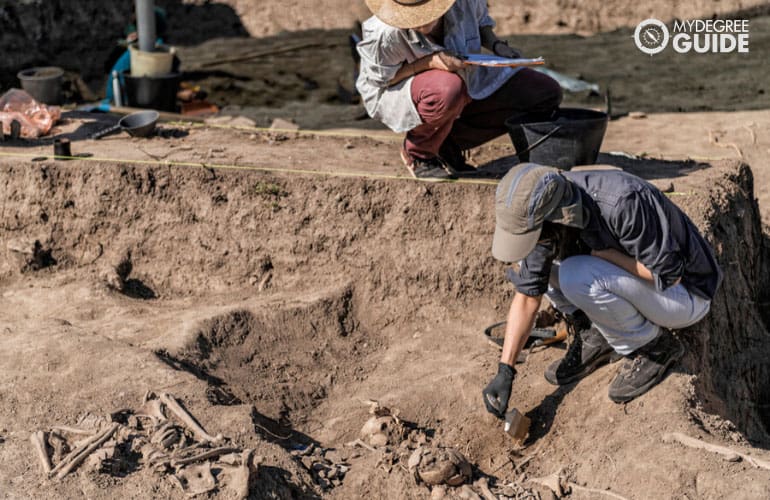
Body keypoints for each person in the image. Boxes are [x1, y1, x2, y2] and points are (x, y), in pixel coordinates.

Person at [482, 163, 723, 417]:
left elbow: (670, 275)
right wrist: (505, 370)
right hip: (639, 285)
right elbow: (528, 295)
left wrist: (604, 255)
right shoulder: (547, 215)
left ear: (554, 216)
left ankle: (653, 348)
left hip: (686, 295)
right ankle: (595, 334)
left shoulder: (622, 203)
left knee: (575, 274)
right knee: (536, 265)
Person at [357, 0, 562, 180]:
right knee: (448, 90)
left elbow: (481, 22)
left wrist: (497, 46)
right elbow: (383, 80)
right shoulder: (385, 34)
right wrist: (429, 63)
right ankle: (420, 153)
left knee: (543, 92)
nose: (420, 23)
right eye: (412, 18)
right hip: (404, 88)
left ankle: (447, 143)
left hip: (466, 80)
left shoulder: (463, 2)